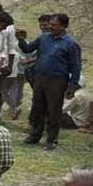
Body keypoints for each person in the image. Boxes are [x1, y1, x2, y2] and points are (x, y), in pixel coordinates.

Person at [19, 13, 83, 150]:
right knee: (37, 107)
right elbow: (27, 49)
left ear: (64, 26)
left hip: (58, 80)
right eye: (50, 24)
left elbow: (76, 67)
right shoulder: (43, 38)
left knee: (53, 110)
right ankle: (35, 135)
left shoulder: (71, 44)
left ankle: (52, 139)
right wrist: (21, 39)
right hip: (40, 77)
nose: (51, 27)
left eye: (54, 25)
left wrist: (72, 86)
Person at [4, 28, 34, 119]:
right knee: (19, 88)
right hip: (24, 70)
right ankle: (16, 105)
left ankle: (12, 107)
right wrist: (27, 62)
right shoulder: (29, 45)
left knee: (6, 89)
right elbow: (33, 56)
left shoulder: (14, 45)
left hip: (13, 69)